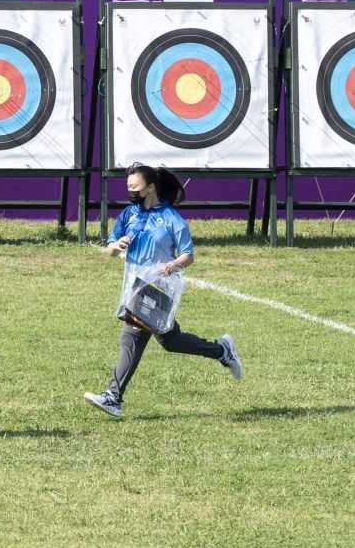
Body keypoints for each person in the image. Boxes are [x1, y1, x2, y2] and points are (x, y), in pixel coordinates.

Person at [83, 163, 242, 419]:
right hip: (133, 286)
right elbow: (109, 250)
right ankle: (221, 350)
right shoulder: (128, 214)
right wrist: (115, 246)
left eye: (135, 186)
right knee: (170, 341)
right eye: (128, 187)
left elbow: (188, 255)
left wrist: (172, 265)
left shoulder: (171, 219)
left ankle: (113, 397)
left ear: (151, 187)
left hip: (157, 288)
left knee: (132, 336)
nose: (130, 190)